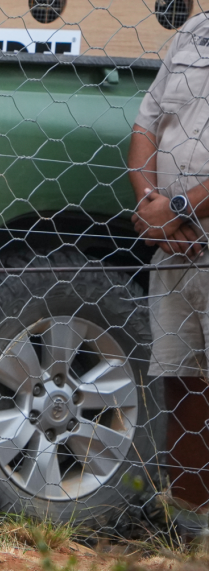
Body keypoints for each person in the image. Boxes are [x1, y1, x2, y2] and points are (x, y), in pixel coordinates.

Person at [129, 6, 209, 511]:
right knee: (182, 386)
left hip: (187, 231)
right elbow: (145, 128)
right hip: (175, 251)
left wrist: (176, 209)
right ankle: (190, 531)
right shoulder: (193, 31)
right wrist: (150, 204)